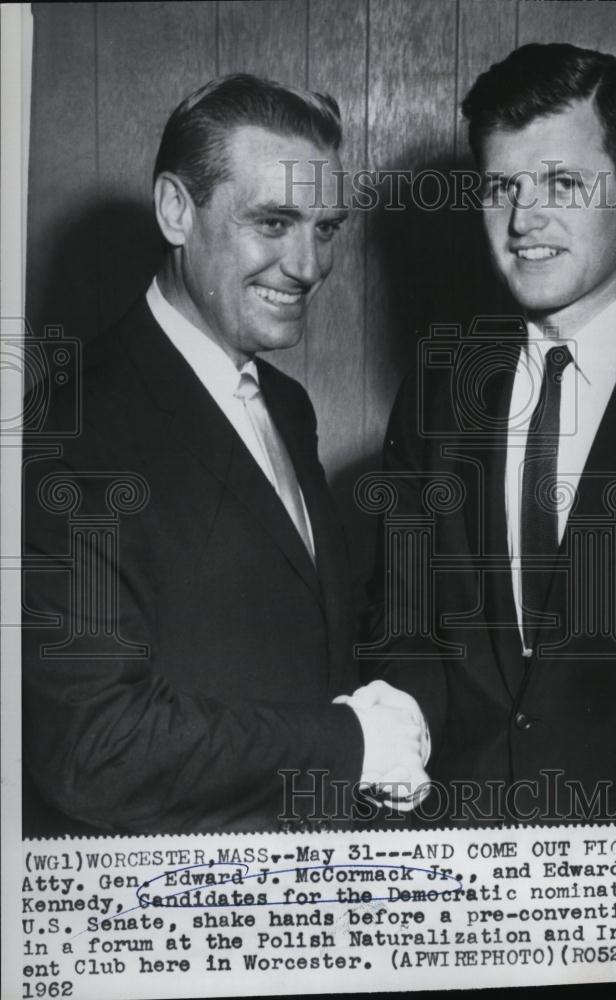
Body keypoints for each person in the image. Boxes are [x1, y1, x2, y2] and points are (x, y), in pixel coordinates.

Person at [22, 73, 428, 836]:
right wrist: (353, 746)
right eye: (273, 223)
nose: (309, 265)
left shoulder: (286, 405)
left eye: (326, 227)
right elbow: (92, 746)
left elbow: (303, 652)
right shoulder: (64, 423)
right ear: (177, 210)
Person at [368, 43, 616, 823]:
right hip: (462, 877)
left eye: (562, 182)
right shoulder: (438, 393)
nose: (523, 218)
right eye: (502, 185)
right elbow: (400, 635)